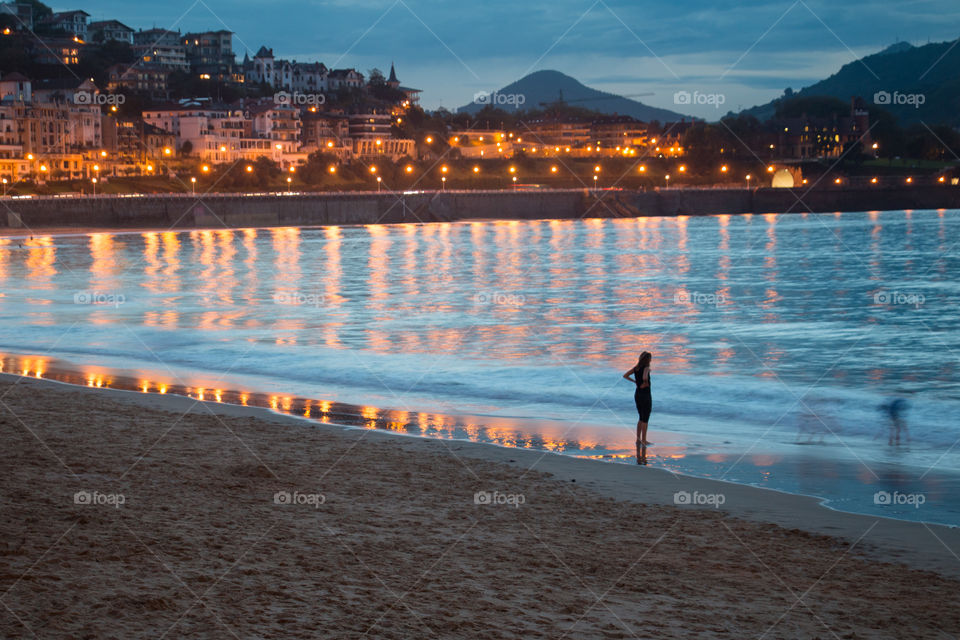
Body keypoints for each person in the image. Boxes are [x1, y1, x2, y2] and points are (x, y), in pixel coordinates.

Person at [623, 351, 652, 462]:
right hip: (645, 394)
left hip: (637, 394)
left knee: (640, 417)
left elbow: (625, 375)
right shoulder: (646, 368)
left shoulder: (636, 368)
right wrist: (645, 383)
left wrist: (635, 381)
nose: (651, 361)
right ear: (647, 359)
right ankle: (644, 440)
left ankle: (638, 440)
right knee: (645, 418)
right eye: (650, 359)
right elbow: (645, 378)